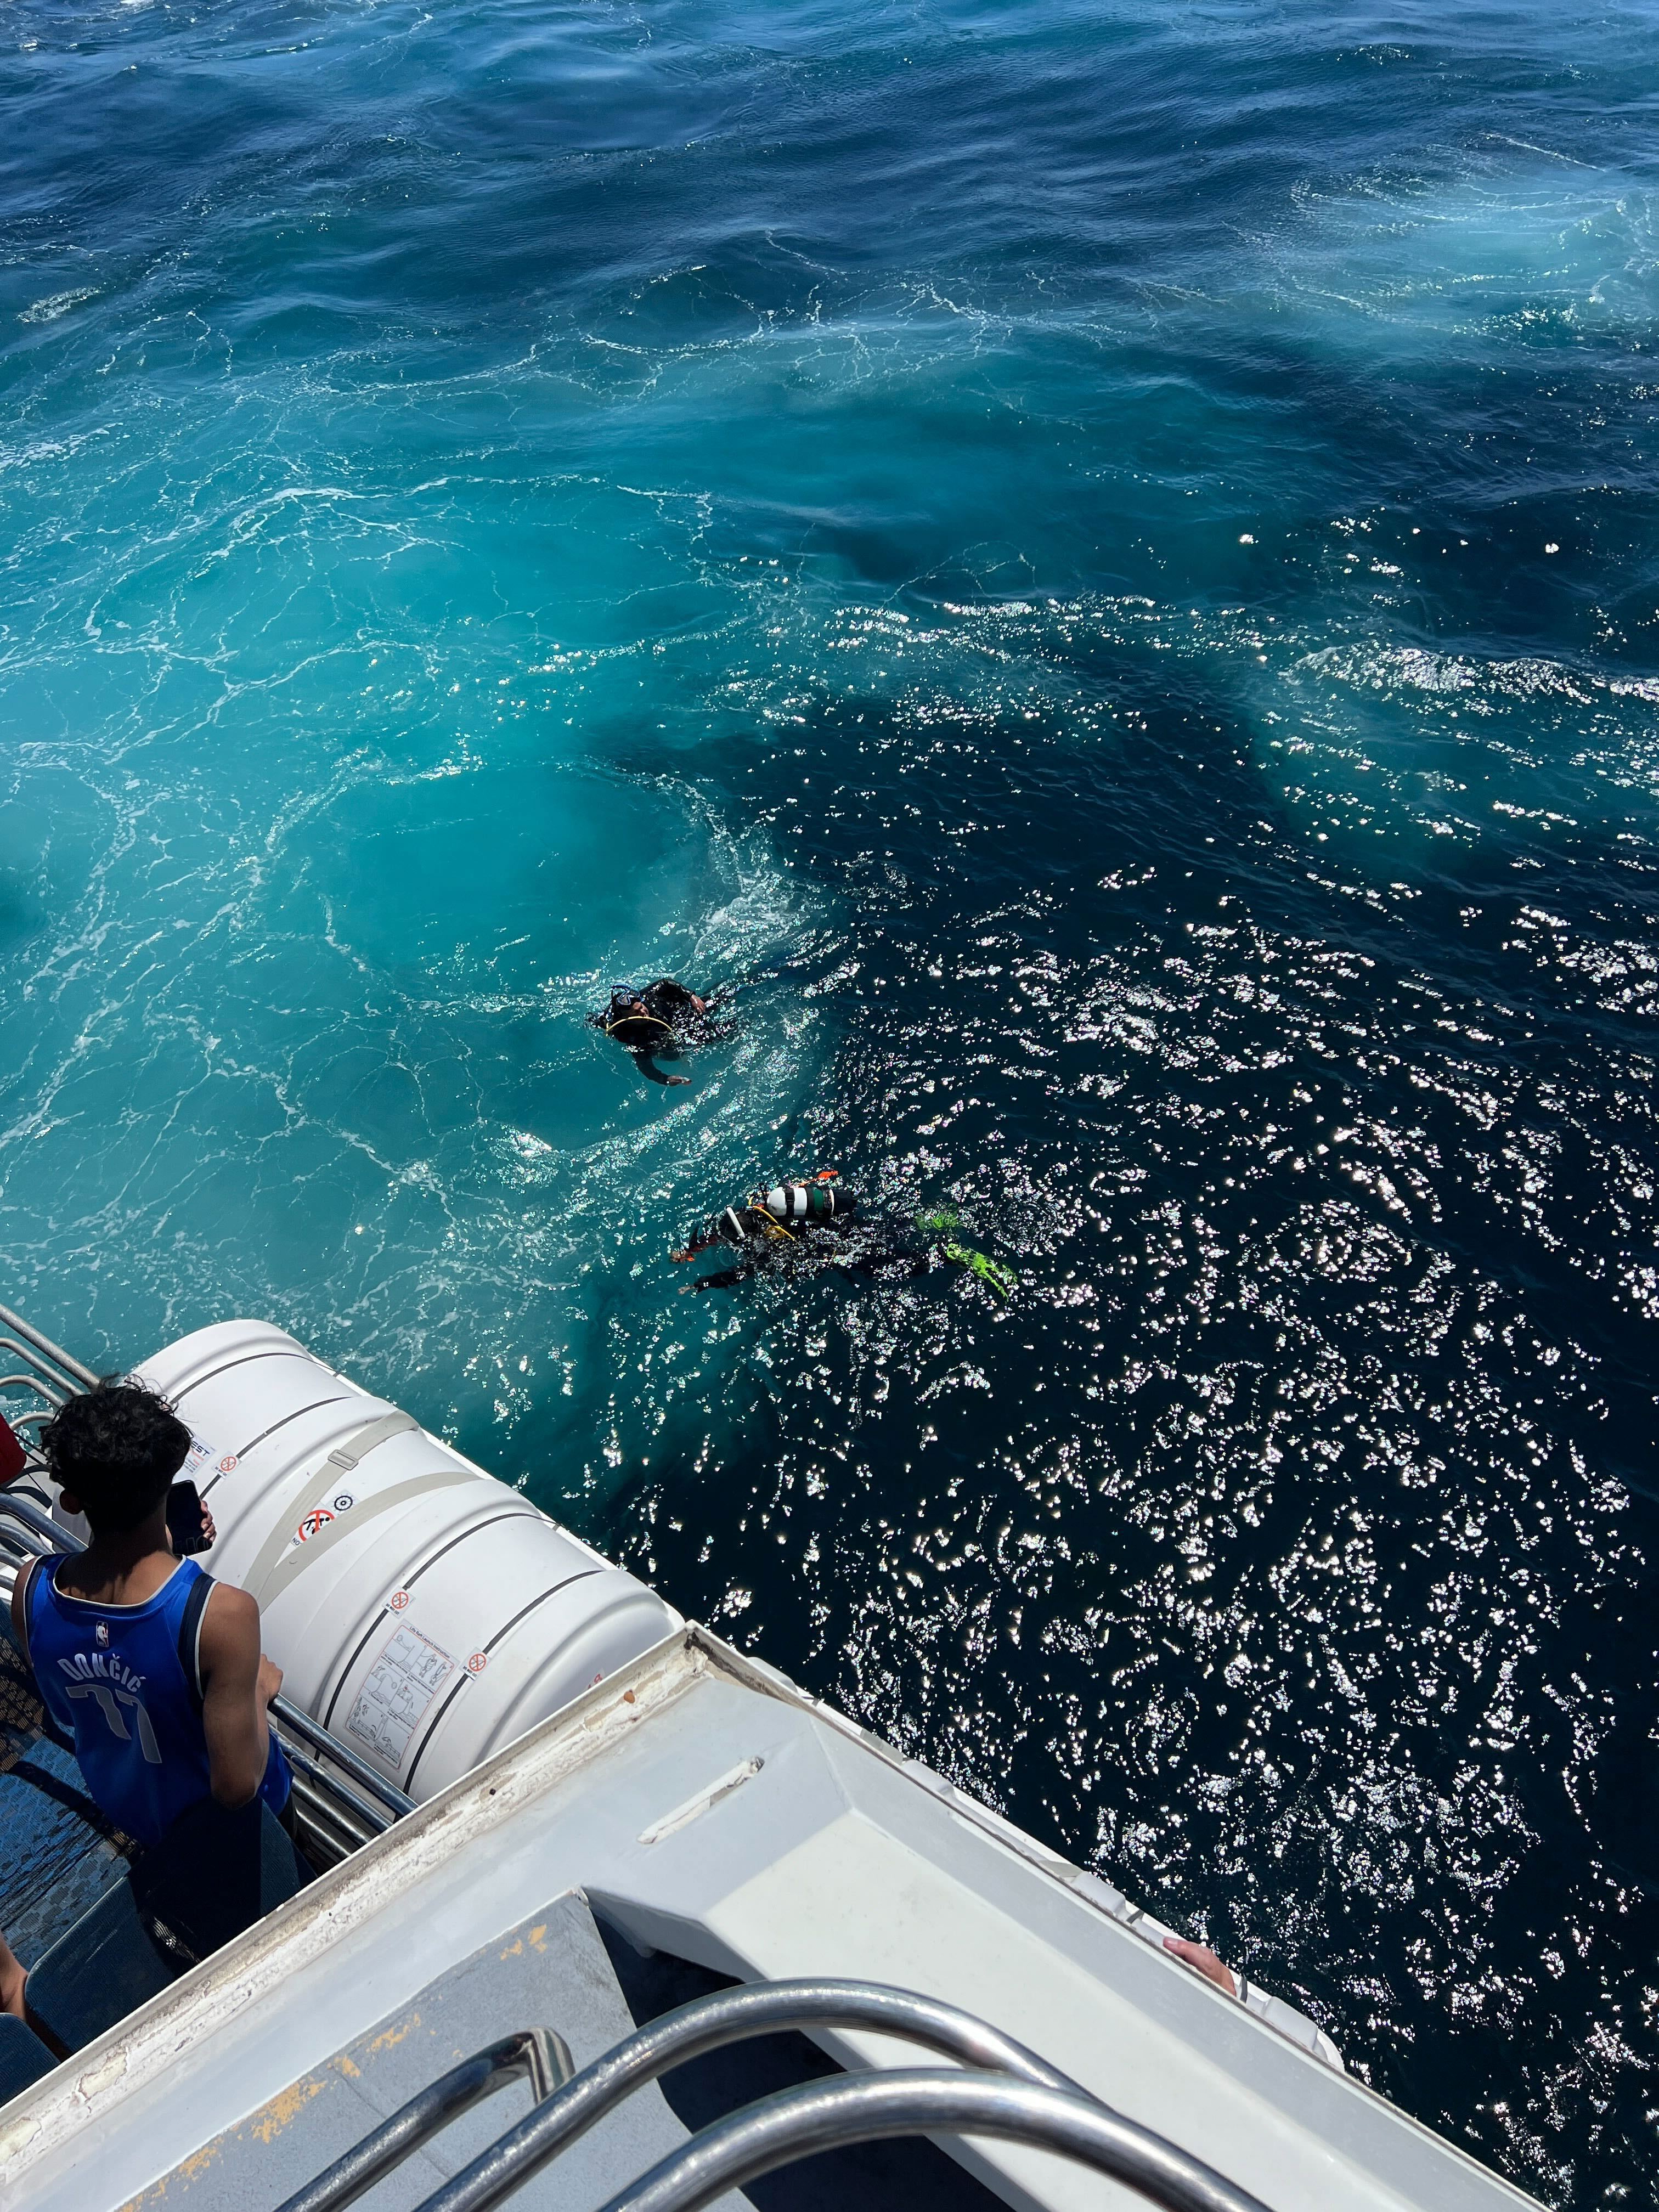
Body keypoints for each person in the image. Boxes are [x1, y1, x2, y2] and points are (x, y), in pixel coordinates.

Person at [9, 1378, 292, 1856]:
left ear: (73, 1501)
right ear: (170, 1477)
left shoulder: (31, 1587)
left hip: (133, 1810)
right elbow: (237, 1787)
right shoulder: (223, 1615)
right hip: (238, 1829)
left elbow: (62, 1710)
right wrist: (258, 1693)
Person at [592, 979, 730, 1087]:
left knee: (723, 994)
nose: (642, 1012)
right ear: (626, 1018)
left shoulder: (648, 997)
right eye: (636, 1012)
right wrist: (666, 1079)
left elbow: (665, 982)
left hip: (680, 1014)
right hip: (666, 1038)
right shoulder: (631, 1037)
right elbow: (646, 1067)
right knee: (717, 1035)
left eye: (641, 1007)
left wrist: (692, 997)